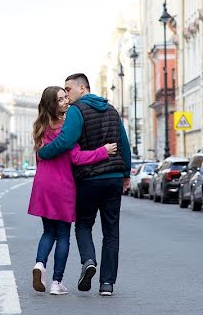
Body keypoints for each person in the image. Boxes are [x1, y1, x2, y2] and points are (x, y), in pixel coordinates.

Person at [38, 73, 132, 297]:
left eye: (68, 89)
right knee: (111, 231)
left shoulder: (77, 111)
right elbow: (124, 144)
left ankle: (89, 261)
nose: (67, 96)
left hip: (89, 178)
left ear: (82, 88)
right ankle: (107, 284)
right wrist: (126, 173)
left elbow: (66, 141)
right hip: (113, 177)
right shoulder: (112, 110)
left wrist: (43, 152)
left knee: (83, 225)